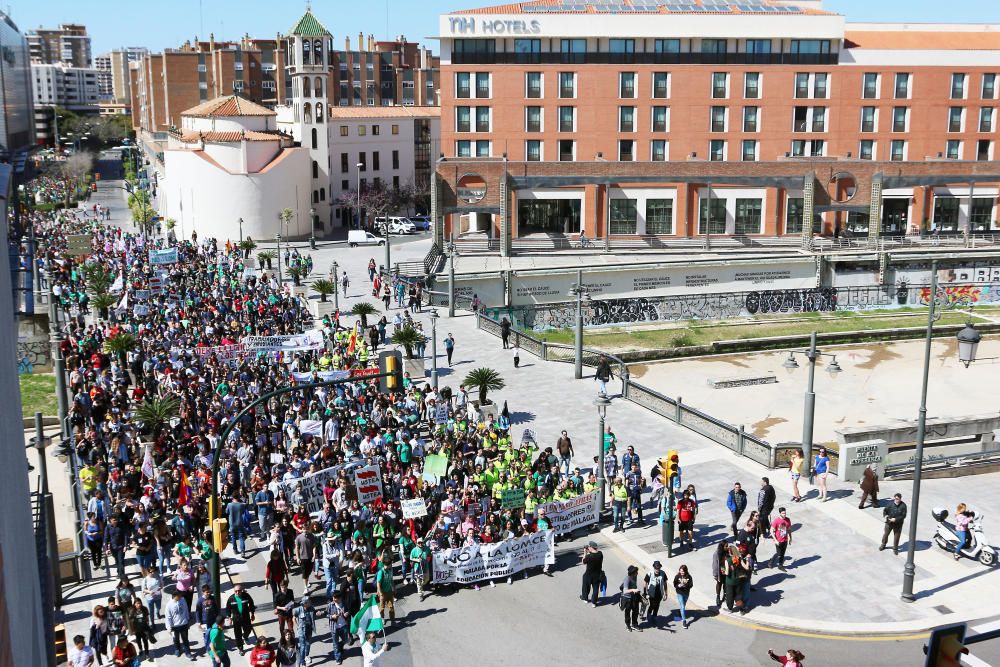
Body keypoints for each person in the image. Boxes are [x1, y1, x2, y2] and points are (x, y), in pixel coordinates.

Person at [225, 584, 256, 655]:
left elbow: (251, 604)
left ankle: (245, 636)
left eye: (239, 591)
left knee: (248, 629)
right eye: (235, 591)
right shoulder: (231, 599)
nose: (237, 593)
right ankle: (241, 648)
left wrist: (253, 614)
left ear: (241, 591)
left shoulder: (246, 596)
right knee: (238, 635)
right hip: (236, 619)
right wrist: (229, 618)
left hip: (246, 617)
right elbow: (228, 609)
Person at [164, 590, 194, 660]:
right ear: (175, 596)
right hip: (174, 626)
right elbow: (168, 617)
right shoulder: (169, 605)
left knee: (185, 640)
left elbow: (186, 610)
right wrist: (168, 627)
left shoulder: (183, 600)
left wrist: (187, 620)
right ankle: (177, 649)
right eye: (179, 596)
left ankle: (188, 653)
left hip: (183, 624)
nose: (181, 597)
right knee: (176, 639)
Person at [642, 560, 668, 625]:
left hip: (659, 593)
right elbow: (645, 582)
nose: (657, 569)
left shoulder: (663, 573)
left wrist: (665, 593)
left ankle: (654, 617)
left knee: (657, 605)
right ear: (654, 567)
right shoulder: (650, 573)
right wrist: (645, 592)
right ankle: (649, 614)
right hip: (651, 592)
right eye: (656, 568)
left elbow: (665, 584)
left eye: (658, 568)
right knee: (652, 605)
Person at [292, 596, 316, 666]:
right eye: (309, 602)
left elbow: (315, 614)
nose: (310, 602)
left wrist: (318, 613)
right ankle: (302, 662)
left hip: (309, 629)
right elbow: (294, 618)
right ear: (305, 603)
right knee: (302, 646)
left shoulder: (312, 608)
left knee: (308, 644)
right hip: (301, 630)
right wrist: (297, 626)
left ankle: (306, 656)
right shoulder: (298, 609)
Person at [327, 591, 350, 665]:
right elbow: (326, 614)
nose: (334, 599)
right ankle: (338, 658)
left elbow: (348, 611)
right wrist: (331, 616)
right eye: (333, 597)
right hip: (334, 628)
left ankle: (339, 647)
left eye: (335, 598)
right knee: (335, 644)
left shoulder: (344, 604)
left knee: (346, 640)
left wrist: (347, 614)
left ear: (340, 598)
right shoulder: (330, 605)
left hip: (344, 626)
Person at [769, 507, 792, 571]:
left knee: (782, 554)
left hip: (785, 540)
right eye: (783, 513)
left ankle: (780, 565)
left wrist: (790, 538)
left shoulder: (788, 520)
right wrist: (775, 540)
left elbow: (789, 529)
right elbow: (771, 530)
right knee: (778, 553)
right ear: (780, 513)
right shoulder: (776, 520)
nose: (784, 514)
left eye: (785, 513)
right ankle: (771, 562)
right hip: (778, 540)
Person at [580, 541, 603, 606]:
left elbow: (583, 562)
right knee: (596, 589)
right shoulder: (600, 554)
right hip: (597, 575)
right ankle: (594, 602)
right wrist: (589, 552)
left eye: (589, 546)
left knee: (586, 587)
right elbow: (595, 553)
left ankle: (585, 598)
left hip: (588, 575)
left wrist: (585, 553)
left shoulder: (589, 557)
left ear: (591, 547)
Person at [620, 564, 642, 632]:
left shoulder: (635, 577)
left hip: (634, 597)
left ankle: (634, 625)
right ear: (632, 573)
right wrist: (633, 590)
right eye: (636, 572)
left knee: (635, 611)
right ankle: (628, 625)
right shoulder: (627, 579)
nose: (637, 573)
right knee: (628, 612)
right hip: (628, 599)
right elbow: (625, 591)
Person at [375, 559, 396, 626]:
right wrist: (380, 594)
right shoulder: (381, 572)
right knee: (382, 607)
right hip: (382, 592)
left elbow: (391, 580)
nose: (388, 566)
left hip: (389, 591)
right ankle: (382, 618)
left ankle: (392, 621)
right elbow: (378, 584)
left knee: (391, 607)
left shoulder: (390, 570)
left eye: (389, 565)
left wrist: (394, 588)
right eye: (386, 565)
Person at [673, 564, 693, 628]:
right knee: (682, 606)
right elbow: (674, 583)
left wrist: (685, 585)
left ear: (685, 571)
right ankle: (684, 621)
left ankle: (680, 612)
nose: (681, 572)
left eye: (683, 571)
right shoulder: (677, 576)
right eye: (680, 571)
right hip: (679, 593)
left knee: (683, 605)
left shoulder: (689, 577)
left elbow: (691, 585)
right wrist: (678, 586)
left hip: (686, 593)